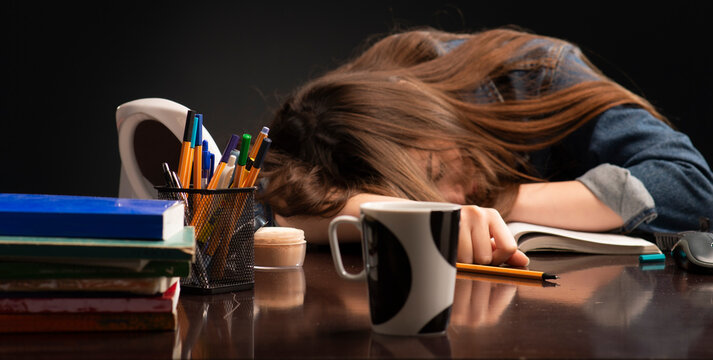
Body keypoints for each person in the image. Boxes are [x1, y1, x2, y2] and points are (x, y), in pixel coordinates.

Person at [257, 27, 713, 266]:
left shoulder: (535, 72)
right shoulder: (322, 134)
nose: (455, 201)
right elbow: (239, 211)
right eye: (423, 197)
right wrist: (399, 214)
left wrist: (504, 202)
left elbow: (689, 186)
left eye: (435, 173)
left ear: (423, 111)